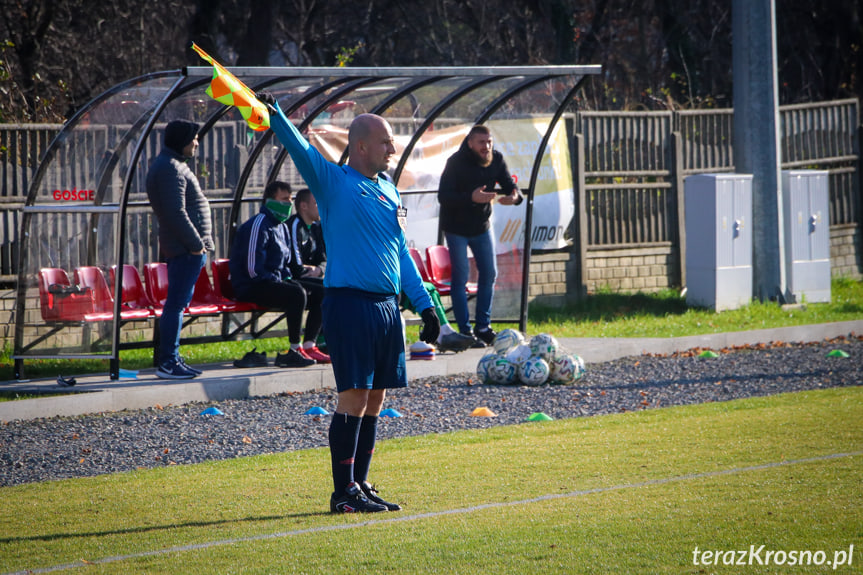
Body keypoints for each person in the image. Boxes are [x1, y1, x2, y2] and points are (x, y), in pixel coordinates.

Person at [259, 91, 440, 514]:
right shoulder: (334, 182)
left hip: (385, 309)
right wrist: (277, 115)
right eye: (386, 141)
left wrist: (425, 304)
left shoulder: (391, 193)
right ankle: (343, 491)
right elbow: (300, 148)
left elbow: (401, 254)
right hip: (350, 304)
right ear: (360, 146)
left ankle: (360, 482)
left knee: (376, 398)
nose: (393, 148)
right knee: (354, 396)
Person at [228, 180, 330, 367]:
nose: (288, 204)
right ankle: (293, 349)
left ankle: (309, 345)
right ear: (270, 200)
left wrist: (287, 279)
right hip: (252, 285)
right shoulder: (258, 224)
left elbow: (285, 264)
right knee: (296, 293)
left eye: (290, 199)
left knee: (324, 289)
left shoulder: (281, 226)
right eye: (284, 199)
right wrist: (282, 281)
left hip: (272, 281)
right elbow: (252, 269)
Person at [437, 125, 522, 346]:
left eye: (489, 142)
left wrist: (514, 197)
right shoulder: (456, 162)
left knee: (490, 273)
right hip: (456, 227)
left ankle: (483, 327)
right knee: (461, 276)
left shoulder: (496, 159)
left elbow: (512, 188)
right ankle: (465, 331)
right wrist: (471, 198)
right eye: (482, 142)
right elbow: (444, 196)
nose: (487, 147)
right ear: (470, 143)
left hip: (481, 226)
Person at [145, 120, 214, 379]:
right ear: (181, 139)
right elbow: (175, 212)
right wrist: (196, 245)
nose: (196, 142)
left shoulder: (173, 165)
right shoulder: (170, 169)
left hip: (186, 249)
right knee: (176, 305)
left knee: (178, 304)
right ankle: (168, 361)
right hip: (186, 249)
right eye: (193, 138)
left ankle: (172, 358)